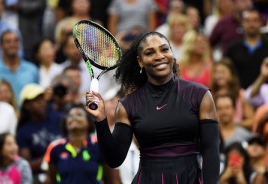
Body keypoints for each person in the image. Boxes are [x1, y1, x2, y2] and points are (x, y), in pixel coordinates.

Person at [86, 32, 220, 183]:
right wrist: (101, 120)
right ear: (140, 61)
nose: (159, 56)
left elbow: (211, 151)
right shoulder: (127, 105)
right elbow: (114, 159)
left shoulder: (200, 94)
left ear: (172, 53)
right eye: (150, 53)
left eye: (164, 49)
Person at [46, 104, 113, 184]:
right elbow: (52, 180)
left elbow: (109, 179)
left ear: (88, 121)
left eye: (79, 114)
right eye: (70, 116)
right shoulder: (55, 148)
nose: (74, 118)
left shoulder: (100, 146)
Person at [16, 83, 62, 180]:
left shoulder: (58, 118)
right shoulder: (23, 132)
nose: (41, 103)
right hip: (40, 175)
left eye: (42, 98)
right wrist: (52, 156)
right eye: (36, 100)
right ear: (27, 106)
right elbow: (27, 165)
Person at [225, 8, 268, 89]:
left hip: (266, 95)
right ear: (242, 23)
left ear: (261, 23)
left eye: (255, 20)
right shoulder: (232, 48)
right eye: (247, 21)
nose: (251, 24)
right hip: (240, 95)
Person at [0, 30, 38, 105]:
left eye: (16, 41)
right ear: (0, 46)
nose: (13, 44)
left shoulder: (32, 69)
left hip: (26, 115)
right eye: (8, 42)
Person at [212, 58, 255, 130]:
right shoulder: (210, 95)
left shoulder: (240, 94)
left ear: (231, 74)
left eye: (222, 72)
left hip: (236, 133)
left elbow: (251, 121)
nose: (219, 75)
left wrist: (235, 123)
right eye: (216, 72)